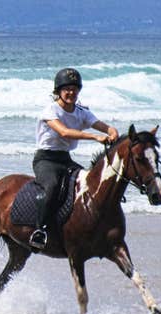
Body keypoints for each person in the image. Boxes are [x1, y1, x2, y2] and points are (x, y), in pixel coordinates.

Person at [29, 68, 119, 248]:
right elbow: (65, 132)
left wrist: (111, 131)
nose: (71, 93)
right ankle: (40, 231)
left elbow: (99, 124)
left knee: (90, 182)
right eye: (67, 89)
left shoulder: (81, 112)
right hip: (46, 160)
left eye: (75, 89)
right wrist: (94, 137)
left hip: (65, 159)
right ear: (58, 91)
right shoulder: (50, 111)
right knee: (52, 186)